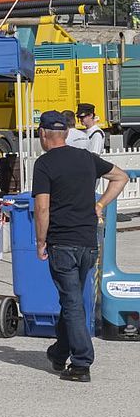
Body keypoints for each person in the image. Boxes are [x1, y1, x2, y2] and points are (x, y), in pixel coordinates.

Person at [33, 111, 128, 382]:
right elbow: (120, 177)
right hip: (88, 242)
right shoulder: (86, 158)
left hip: (62, 242)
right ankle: (59, 351)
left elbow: (42, 207)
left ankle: (82, 362)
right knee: (72, 300)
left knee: (72, 302)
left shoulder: (44, 164)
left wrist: (41, 241)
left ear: (43, 134)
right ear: (65, 134)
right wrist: (99, 205)